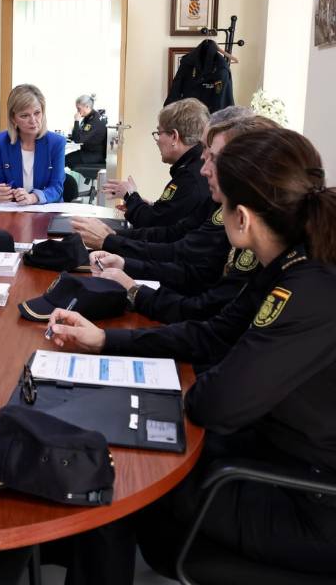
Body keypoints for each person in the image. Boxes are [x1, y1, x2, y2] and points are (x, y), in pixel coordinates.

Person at [47, 128, 336, 577]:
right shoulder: (290, 262)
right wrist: (106, 342)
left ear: (241, 217)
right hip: (272, 453)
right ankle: (68, 549)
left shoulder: (307, 288)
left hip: (307, 501)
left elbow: (217, 402)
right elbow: (211, 335)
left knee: (115, 472)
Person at [92, 115, 278, 323]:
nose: (203, 164)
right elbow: (180, 241)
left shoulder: (194, 182)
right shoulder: (206, 189)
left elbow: (175, 245)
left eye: (211, 153)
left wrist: (116, 246)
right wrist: (120, 250)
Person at [100, 98, 210, 228]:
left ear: (174, 136)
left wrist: (130, 196)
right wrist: (150, 206)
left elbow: (154, 224)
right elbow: (169, 215)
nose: (157, 140)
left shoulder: (190, 177)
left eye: (159, 133)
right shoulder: (195, 165)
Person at [0, 84, 65, 205]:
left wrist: (33, 197)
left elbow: (56, 187)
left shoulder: (57, 142)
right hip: (13, 212)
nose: (33, 120)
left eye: (37, 113)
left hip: (47, 212)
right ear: (13, 118)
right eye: (24, 115)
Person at [64, 93, 107, 169]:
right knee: (62, 159)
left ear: (87, 106)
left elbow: (78, 139)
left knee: (63, 160)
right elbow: (79, 135)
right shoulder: (89, 117)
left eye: (79, 109)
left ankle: (57, 180)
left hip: (94, 155)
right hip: (88, 152)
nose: (77, 111)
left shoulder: (94, 120)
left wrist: (76, 120)